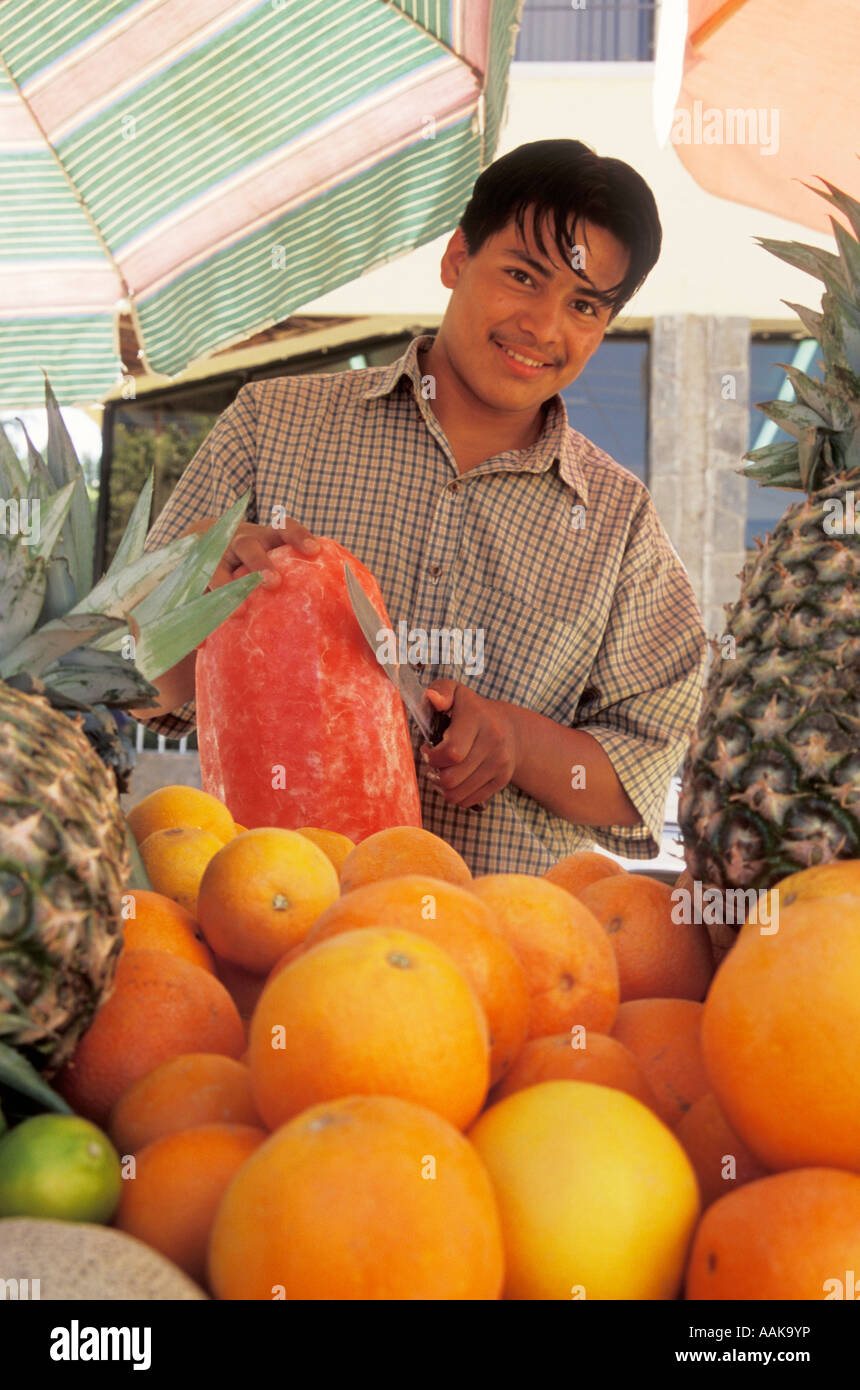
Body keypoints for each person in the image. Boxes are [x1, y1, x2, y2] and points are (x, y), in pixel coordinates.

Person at [136, 138, 707, 875]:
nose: (543, 326)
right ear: (455, 258)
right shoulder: (270, 424)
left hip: (499, 959)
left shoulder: (621, 524)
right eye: (522, 276)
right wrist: (197, 599)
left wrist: (519, 741)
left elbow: (641, 776)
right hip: (269, 930)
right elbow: (131, 683)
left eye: (585, 304)